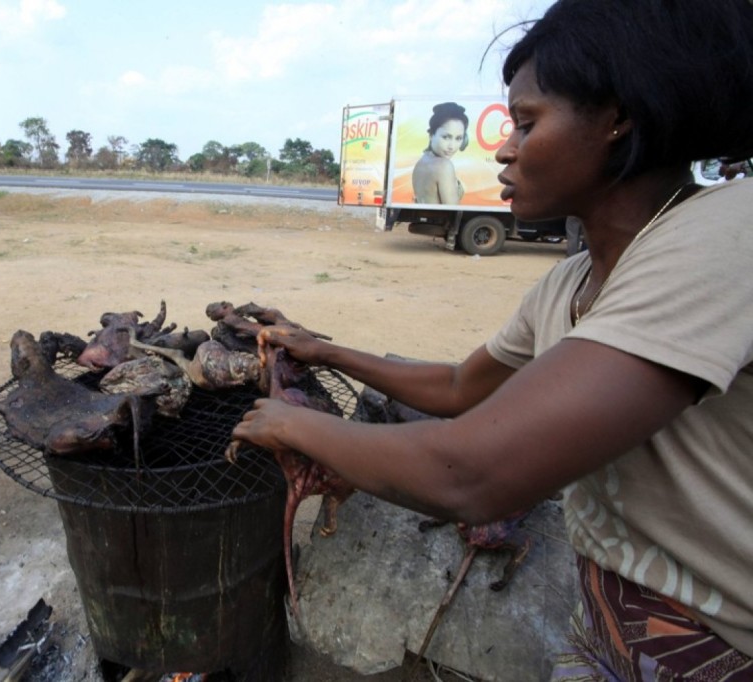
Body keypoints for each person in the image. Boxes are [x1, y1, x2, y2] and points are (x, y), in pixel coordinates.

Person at [231, 0, 753, 677]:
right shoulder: (567, 282)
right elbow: (458, 388)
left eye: (527, 123)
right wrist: (325, 350)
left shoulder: (724, 236)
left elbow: (470, 472)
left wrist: (290, 425)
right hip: (609, 624)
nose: (504, 148)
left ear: (619, 117)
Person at [411, 101, 469, 205]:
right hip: (440, 220)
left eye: (458, 138)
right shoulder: (444, 166)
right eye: (446, 137)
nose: (452, 146)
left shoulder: (421, 162)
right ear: (431, 135)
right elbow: (453, 211)